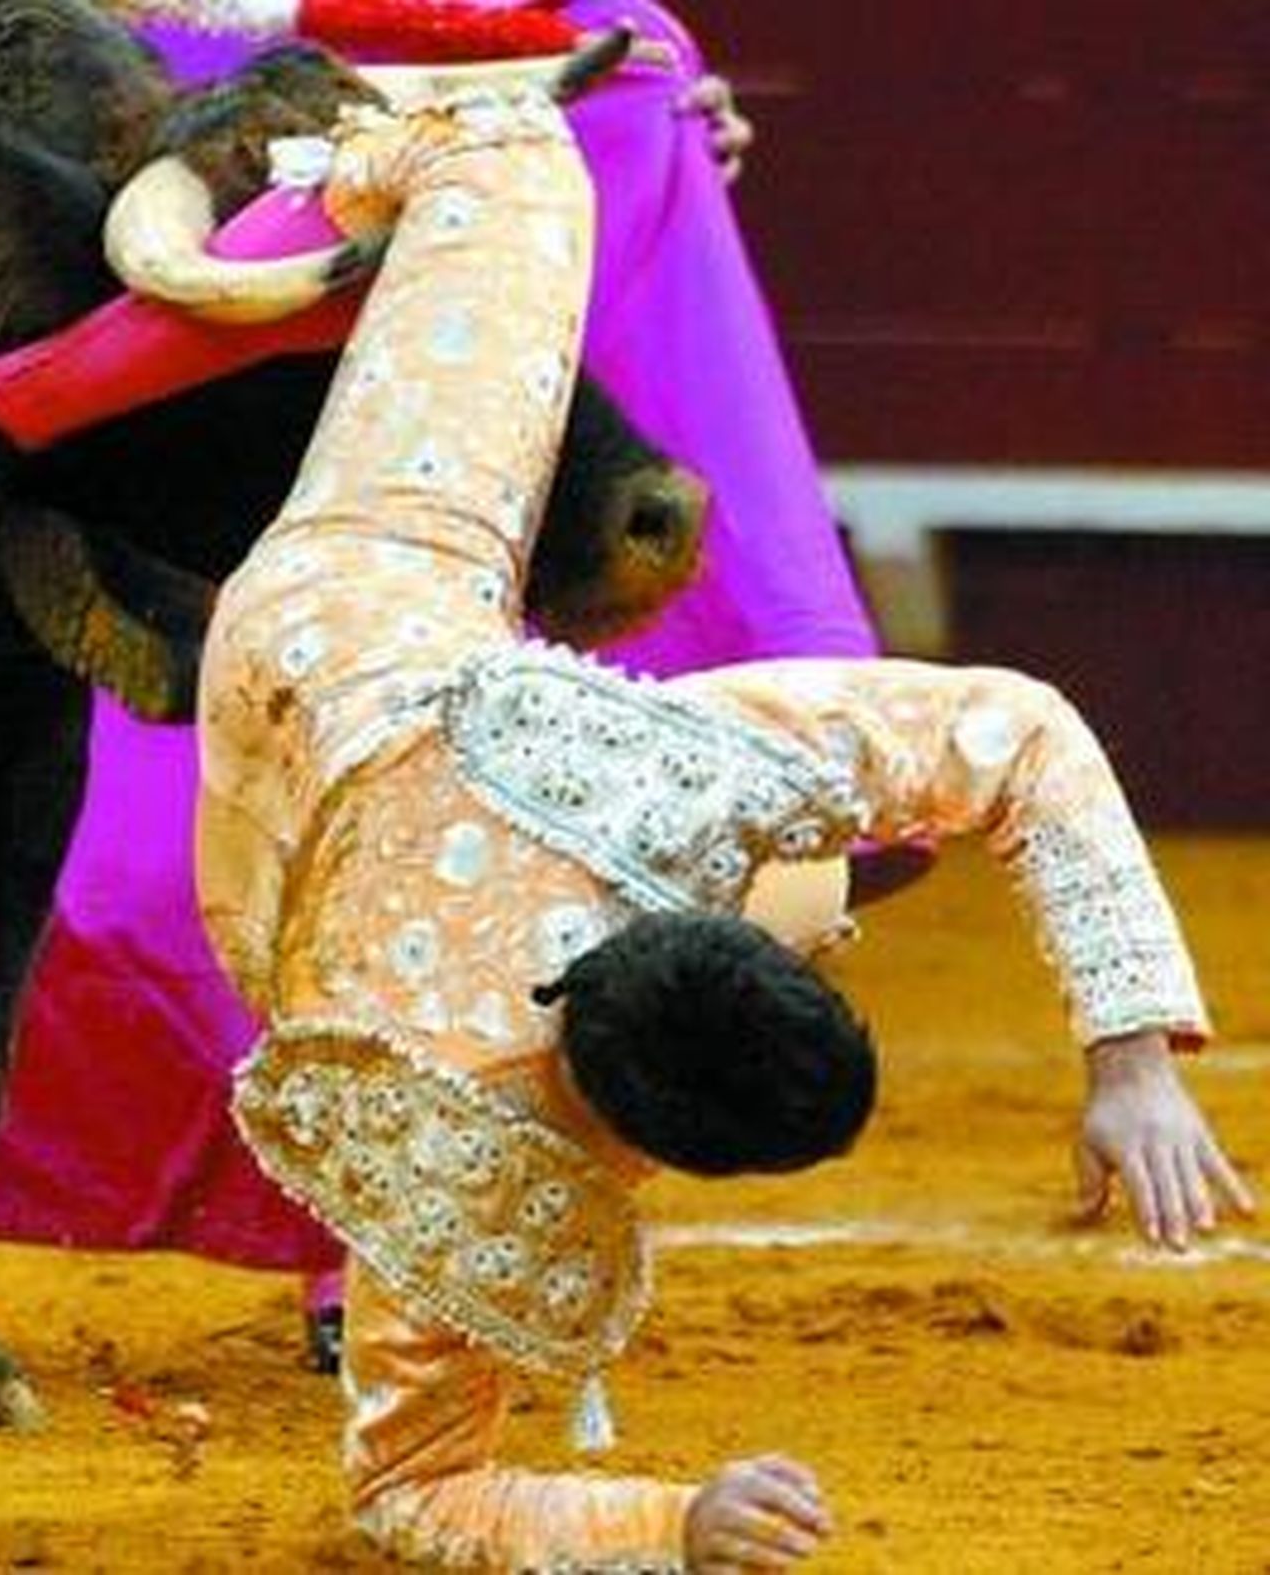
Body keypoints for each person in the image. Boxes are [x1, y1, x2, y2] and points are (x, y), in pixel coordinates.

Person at [0, 0, 878, 1370]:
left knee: (344, 802)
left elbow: (527, 46)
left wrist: (642, 121)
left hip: (234, 138)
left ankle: (353, 1228)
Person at [169, 83, 1249, 1568]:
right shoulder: (467, 1138)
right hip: (279, 866)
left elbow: (1024, 733)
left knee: (514, 152)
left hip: (358, 612)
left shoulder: (671, 779)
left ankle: (297, 164)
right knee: (815, 883)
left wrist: (1131, 1064)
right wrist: (669, 1522)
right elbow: (414, 1498)